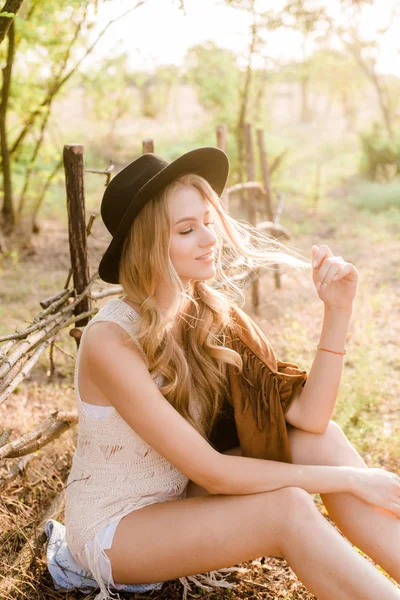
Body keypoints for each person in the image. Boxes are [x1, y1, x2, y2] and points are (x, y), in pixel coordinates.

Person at [63, 147, 400, 600]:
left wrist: (337, 312)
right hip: (118, 530)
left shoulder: (205, 312)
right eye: (187, 230)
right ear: (147, 245)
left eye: (207, 221)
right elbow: (216, 473)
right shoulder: (111, 340)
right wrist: (355, 479)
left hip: (180, 499)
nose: (208, 238)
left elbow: (311, 419)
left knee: (323, 442)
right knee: (287, 511)